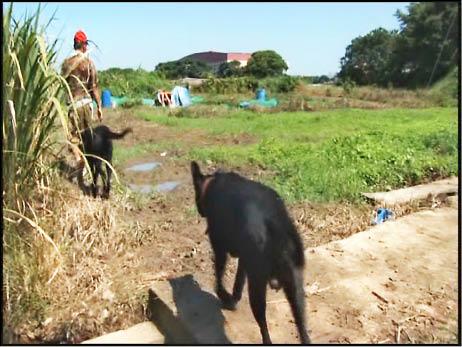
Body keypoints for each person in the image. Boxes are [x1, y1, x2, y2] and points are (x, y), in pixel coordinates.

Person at [61, 30, 103, 182]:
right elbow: (94, 87)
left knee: (73, 139)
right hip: (86, 104)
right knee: (88, 138)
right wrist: (99, 106)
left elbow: (64, 85)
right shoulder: (89, 63)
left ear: (74, 45)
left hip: (73, 105)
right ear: (84, 45)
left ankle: (79, 159)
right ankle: (86, 167)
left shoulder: (66, 64)